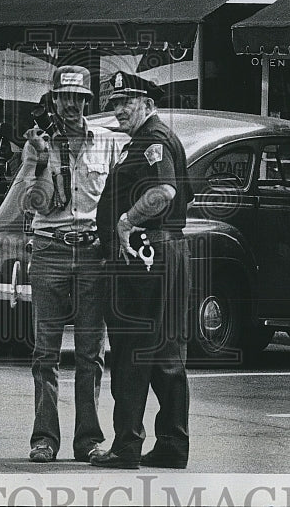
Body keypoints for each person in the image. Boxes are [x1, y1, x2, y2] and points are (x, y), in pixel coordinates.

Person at [19, 66, 125, 464]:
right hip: (50, 249)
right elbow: (36, 205)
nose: (70, 105)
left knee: (90, 354)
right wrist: (43, 164)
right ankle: (44, 438)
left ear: (86, 102)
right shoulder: (38, 146)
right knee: (45, 354)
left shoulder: (108, 144)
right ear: (52, 100)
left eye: (77, 98)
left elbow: (118, 195)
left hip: (92, 252)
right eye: (63, 97)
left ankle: (88, 440)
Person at [91, 72, 194, 470]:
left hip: (144, 254)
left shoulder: (152, 141)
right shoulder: (155, 138)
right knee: (166, 353)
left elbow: (163, 192)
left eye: (127, 102)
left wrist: (125, 221)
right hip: (165, 253)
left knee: (133, 350)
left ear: (148, 105)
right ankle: (172, 444)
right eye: (115, 102)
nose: (118, 109)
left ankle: (125, 446)